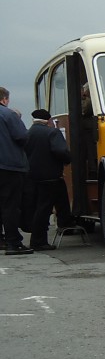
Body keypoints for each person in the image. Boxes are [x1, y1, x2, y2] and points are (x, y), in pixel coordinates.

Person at [24, 109, 71, 250]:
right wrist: (68, 159)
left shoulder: (28, 133)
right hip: (50, 177)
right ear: (48, 120)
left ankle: (39, 237)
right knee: (45, 209)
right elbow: (61, 151)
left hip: (32, 177)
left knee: (39, 208)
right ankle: (40, 241)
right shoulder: (52, 132)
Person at [0, 86, 32, 256]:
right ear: (4, 99)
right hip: (9, 166)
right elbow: (22, 136)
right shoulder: (8, 114)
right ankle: (14, 243)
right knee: (10, 205)